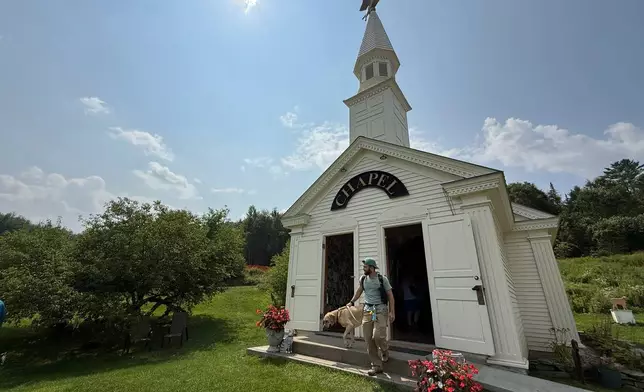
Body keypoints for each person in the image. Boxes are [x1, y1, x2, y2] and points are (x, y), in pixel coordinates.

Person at [347, 258, 395, 376]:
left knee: (378, 336)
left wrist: (392, 312)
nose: (364, 269)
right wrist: (351, 302)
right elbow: (359, 291)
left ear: (372, 268)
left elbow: (390, 296)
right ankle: (376, 366)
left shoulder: (382, 279)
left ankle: (384, 350)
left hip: (381, 310)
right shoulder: (363, 279)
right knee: (368, 339)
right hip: (368, 311)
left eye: (366, 267)